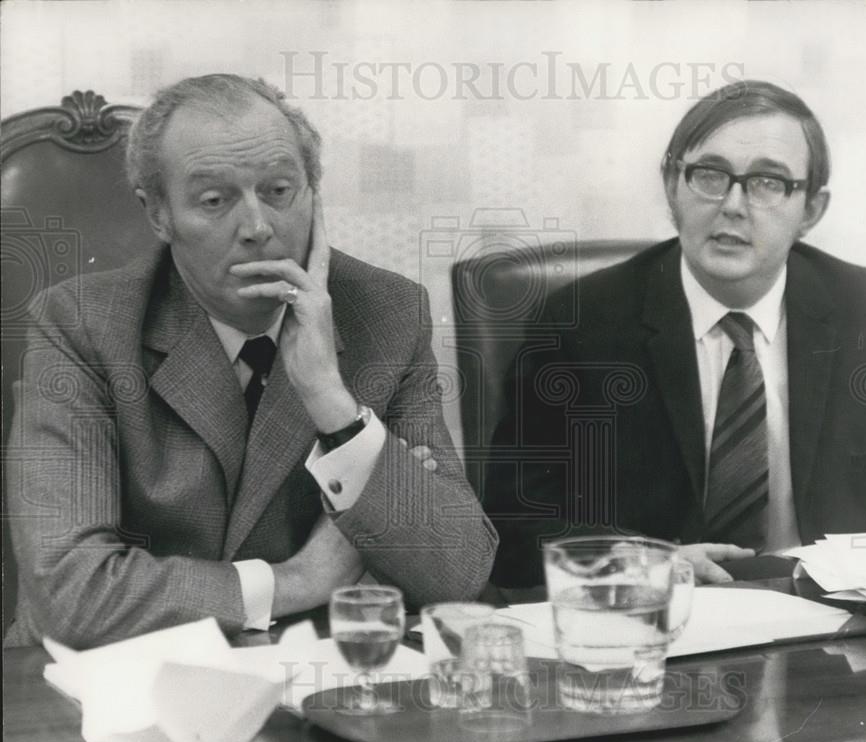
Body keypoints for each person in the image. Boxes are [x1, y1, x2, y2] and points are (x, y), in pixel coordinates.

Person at [5, 74, 497, 647]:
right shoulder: (82, 324)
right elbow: (71, 598)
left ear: (313, 191)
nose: (258, 228)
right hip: (113, 689)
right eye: (215, 201)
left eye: (280, 191)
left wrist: (332, 403)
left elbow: (457, 574)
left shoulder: (385, 312)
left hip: (316, 679)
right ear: (158, 214)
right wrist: (297, 580)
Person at [485, 80, 866, 588]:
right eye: (710, 174)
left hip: (820, 626)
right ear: (671, 185)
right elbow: (511, 522)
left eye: (769, 183)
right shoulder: (581, 322)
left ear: (810, 210)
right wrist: (647, 564)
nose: (733, 204)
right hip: (652, 619)